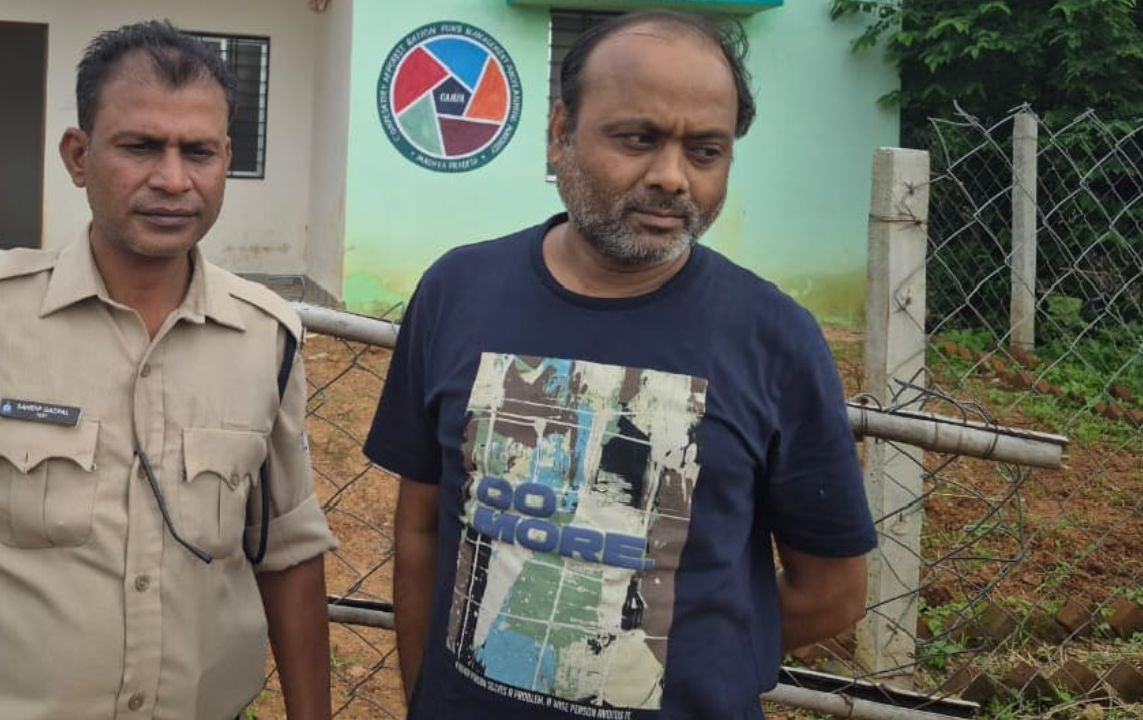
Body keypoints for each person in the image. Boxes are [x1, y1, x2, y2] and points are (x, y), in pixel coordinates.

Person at [365, 10, 877, 719]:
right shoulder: (457, 292)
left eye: (705, 151)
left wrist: (687, 648)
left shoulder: (776, 340)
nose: (671, 177)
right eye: (637, 138)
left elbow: (832, 594)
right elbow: (422, 529)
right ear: (560, 133)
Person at [0, 21, 336, 720]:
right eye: (141, 146)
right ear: (78, 156)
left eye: (199, 152)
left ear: (226, 160)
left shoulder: (266, 339)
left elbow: (288, 552)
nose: (173, 180)